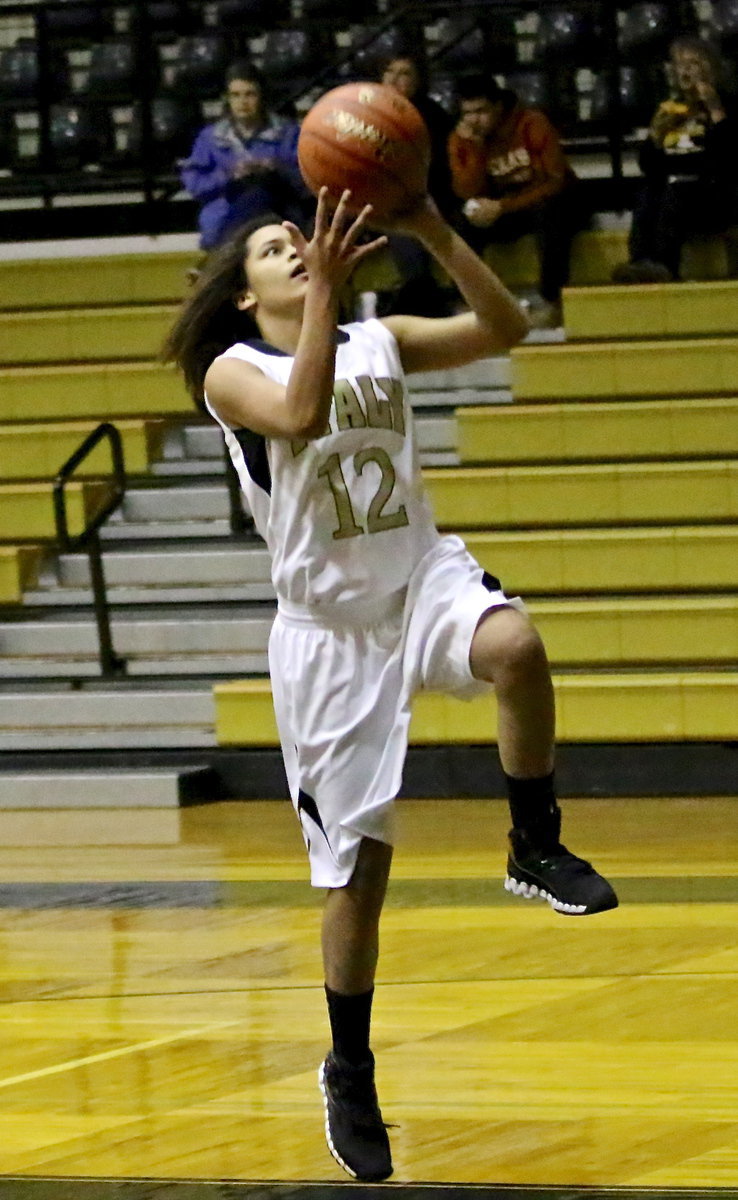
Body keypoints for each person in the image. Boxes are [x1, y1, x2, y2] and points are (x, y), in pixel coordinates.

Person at [163, 187, 617, 1183]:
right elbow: (301, 411)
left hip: (418, 579)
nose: (297, 250)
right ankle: (350, 1068)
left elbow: (505, 328)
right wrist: (328, 291)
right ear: (243, 295)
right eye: (277, 249)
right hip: (328, 636)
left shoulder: (377, 334)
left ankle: (533, 844)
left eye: (303, 241)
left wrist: (433, 230)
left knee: (519, 649)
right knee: (357, 877)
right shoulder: (231, 372)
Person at [448, 73, 588, 326]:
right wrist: (476, 149)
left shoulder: (532, 123)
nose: (474, 120)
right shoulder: (462, 139)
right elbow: (466, 191)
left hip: (558, 200)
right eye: (467, 113)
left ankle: (553, 301)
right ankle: (469, 304)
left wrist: (502, 207)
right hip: (508, 208)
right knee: (462, 223)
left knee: (551, 213)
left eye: (481, 111)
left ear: (498, 107)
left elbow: (555, 182)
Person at [613, 37, 738, 283]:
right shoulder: (670, 109)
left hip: (716, 193)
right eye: (680, 64)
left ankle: (665, 268)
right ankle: (640, 263)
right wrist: (656, 137)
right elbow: (648, 167)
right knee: (648, 192)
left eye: (693, 63)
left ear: (712, 68)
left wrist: (714, 110)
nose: (686, 70)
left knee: (677, 190)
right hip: (674, 193)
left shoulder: (729, 104)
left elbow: (731, 157)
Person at [180, 60, 309, 252]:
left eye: (250, 94)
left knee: (261, 189)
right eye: (236, 95)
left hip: (278, 208)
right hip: (226, 210)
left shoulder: (288, 133)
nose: (243, 102)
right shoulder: (210, 138)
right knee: (253, 193)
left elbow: (308, 179)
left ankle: (222, 259)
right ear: (227, 99)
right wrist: (229, 175)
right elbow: (196, 186)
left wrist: (277, 167)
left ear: (262, 97)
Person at [376, 52, 457, 315]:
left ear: (419, 81)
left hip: (425, 196)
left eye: (405, 74)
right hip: (374, 197)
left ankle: (423, 299)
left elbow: (439, 174)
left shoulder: (433, 116)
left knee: (405, 225)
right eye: (390, 72)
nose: (395, 80)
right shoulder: (365, 111)